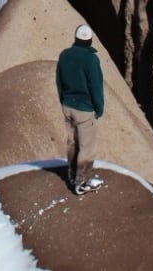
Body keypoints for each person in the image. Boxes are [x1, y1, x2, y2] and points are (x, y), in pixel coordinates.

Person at [57, 23, 105, 195]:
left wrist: (63, 100)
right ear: (90, 40)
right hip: (84, 109)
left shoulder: (64, 56)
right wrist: (99, 109)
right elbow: (96, 87)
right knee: (87, 146)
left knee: (72, 142)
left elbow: (59, 82)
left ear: (76, 39)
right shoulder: (91, 60)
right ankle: (82, 182)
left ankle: (71, 175)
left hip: (67, 106)